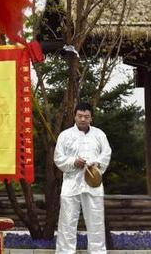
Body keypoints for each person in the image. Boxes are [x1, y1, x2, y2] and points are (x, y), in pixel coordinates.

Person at [54, 102, 112, 254]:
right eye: (80, 116)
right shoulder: (65, 135)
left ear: (91, 118)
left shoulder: (100, 135)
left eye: (86, 116)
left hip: (93, 185)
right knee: (67, 223)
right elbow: (58, 158)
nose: (83, 119)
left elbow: (106, 153)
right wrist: (74, 162)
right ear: (74, 116)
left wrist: (96, 164)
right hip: (71, 184)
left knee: (96, 223)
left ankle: (97, 252)